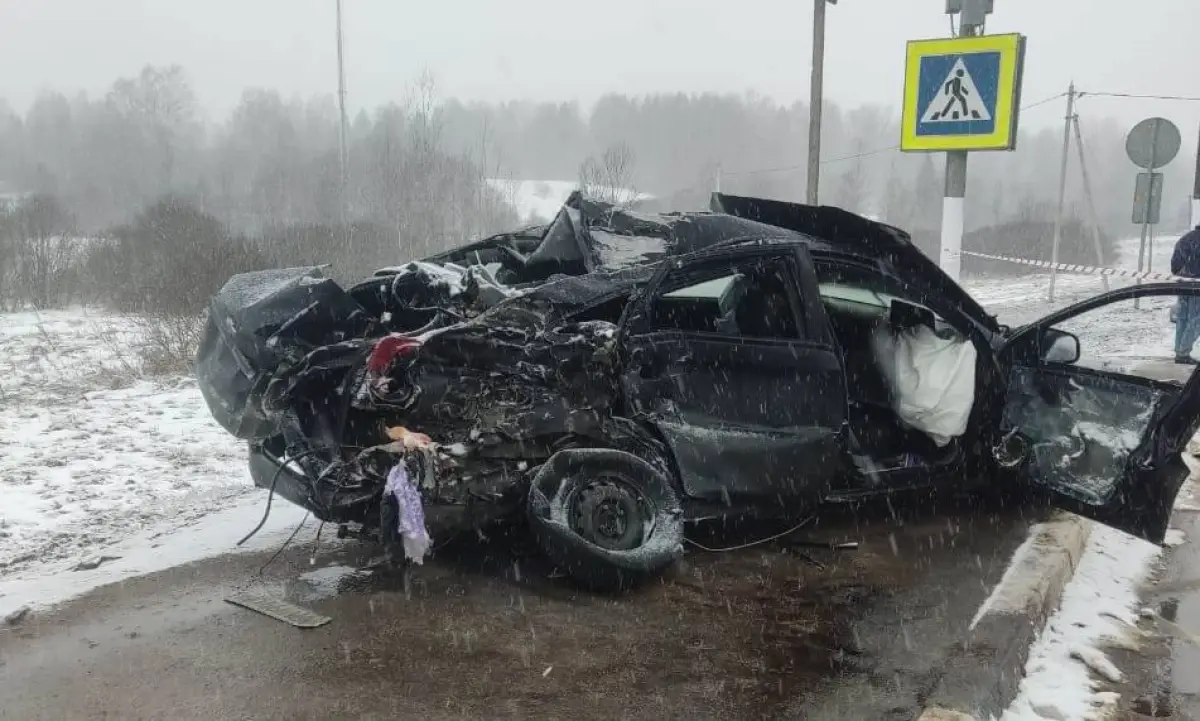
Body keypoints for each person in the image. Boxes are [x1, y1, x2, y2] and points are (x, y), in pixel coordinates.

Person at [1170, 223, 1200, 364]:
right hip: (1197, 285)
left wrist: (1181, 275)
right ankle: (1183, 352)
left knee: (1183, 318)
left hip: (1183, 284)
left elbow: (1175, 264)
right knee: (1196, 319)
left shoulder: (1186, 239)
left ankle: (1179, 351)